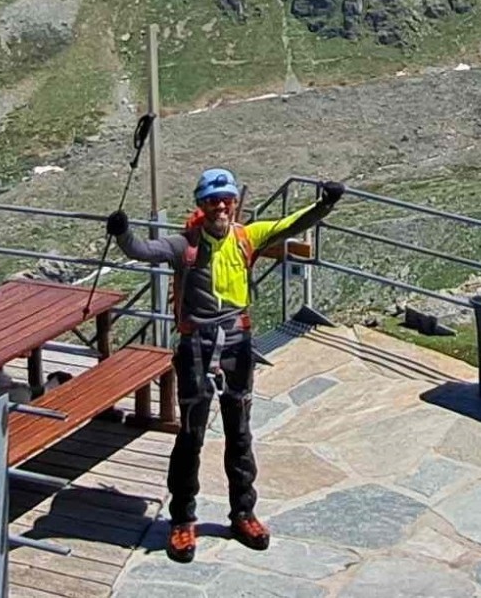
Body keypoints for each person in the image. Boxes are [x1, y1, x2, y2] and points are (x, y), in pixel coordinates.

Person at [106, 170, 344, 563]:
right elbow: (142, 251)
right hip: (196, 344)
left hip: (238, 341)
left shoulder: (246, 236)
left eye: (226, 199)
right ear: (201, 205)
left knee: (240, 432)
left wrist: (326, 204)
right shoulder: (185, 244)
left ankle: (244, 513)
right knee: (191, 434)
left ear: (234, 204)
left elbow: (292, 224)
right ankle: (182, 520)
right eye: (212, 200)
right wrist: (122, 233)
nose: (220, 205)